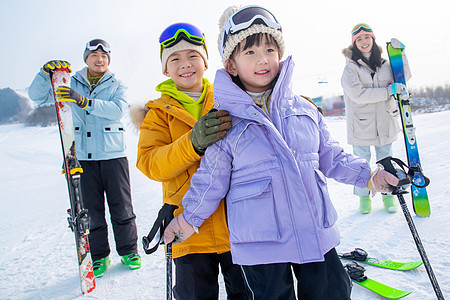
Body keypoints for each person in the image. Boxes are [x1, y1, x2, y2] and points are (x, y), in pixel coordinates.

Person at [162, 5, 404, 300]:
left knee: (334, 293)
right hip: (260, 247)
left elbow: (331, 157)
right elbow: (211, 180)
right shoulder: (225, 121)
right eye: (249, 52)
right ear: (232, 66)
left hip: (315, 233)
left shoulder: (303, 110)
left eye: (269, 49)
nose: (263, 59)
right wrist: (187, 220)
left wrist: (371, 175)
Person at [133, 23, 248, 300]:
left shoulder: (230, 97)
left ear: (206, 61)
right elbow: (151, 164)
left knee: (249, 294)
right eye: (175, 58)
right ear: (165, 69)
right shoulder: (158, 114)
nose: (185, 64)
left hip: (239, 226)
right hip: (187, 230)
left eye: (192, 56)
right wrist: (191, 144)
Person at [28, 39, 140, 278]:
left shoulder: (117, 84)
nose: (99, 59)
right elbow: (37, 98)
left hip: (113, 155)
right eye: (94, 55)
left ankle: (129, 251)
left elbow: (117, 110)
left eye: (104, 56)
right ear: (86, 58)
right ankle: (100, 257)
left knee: (122, 207)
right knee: (91, 211)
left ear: (108, 61)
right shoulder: (68, 81)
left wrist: (84, 101)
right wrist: (44, 74)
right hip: (82, 157)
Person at [341, 23, 411, 214]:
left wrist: (401, 55)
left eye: (367, 38)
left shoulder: (385, 64)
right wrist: (388, 91)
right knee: (361, 163)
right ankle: (364, 198)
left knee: (386, 160)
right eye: (359, 39)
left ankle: (388, 195)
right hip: (361, 125)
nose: (364, 42)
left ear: (373, 39)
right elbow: (358, 95)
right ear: (354, 44)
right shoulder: (351, 69)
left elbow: (403, 78)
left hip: (385, 121)